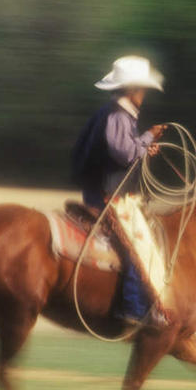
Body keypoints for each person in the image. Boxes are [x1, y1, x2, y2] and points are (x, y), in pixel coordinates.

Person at [72, 55, 169, 328]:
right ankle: (134, 310)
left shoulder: (119, 115)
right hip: (106, 195)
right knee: (138, 248)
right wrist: (148, 137)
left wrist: (143, 145)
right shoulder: (117, 115)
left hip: (109, 192)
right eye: (143, 90)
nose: (144, 95)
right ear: (132, 89)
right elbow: (124, 153)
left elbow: (126, 149)